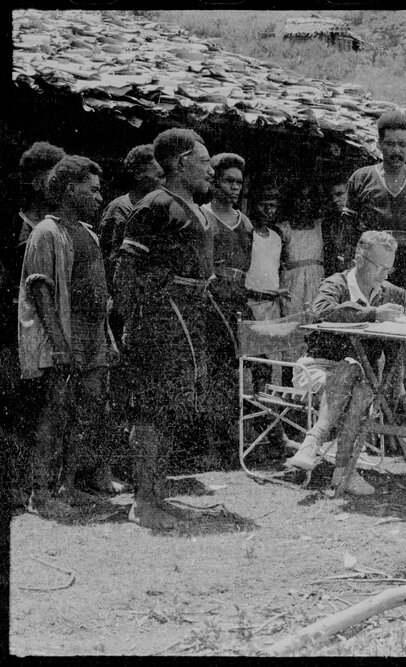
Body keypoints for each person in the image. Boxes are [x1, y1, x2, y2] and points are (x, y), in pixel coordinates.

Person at [115, 127, 217, 530]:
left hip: (188, 320)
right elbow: (126, 271)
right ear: (181, 162)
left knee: (171, 410)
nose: (210, 169)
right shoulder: (156, 204)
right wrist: (131, 328)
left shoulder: (194, 208)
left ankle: (158, 495)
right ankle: (142, 503)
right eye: (205, 161)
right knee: (150, 413)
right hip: (158, 324)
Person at [285, 231, 406, 496]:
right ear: (359, 258)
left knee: (361, 381)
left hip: (354, 376)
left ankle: (317, 446)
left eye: (389, 268)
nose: (384, 275)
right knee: (356, 373)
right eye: (380, 267)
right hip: (317, 368)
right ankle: (343, 469)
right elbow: (322, 311)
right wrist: (374, 313)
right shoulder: (337, 283)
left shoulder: (386, 291)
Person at [18, 155, 110, 518]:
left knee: (87, 410)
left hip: (92, 335)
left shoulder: (88, 233)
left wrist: (108, 338)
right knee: (55, 412)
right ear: (70, 189)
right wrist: (59, 344)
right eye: (93, 189)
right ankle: (41, 492)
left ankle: (69, 486)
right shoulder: (46, 231)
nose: (99, 197)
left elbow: (98, 290)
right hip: (65, 335)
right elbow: (40, 290)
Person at [1, 141, 65, 507]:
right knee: (16, 407)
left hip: (43, 330)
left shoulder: (54, 228)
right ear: (39, 182)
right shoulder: (15, 223)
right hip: (12, 330)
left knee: (41, 405)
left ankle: (34, 486)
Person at [343, 111, 406, 296]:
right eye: (390, 144)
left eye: (402, 144)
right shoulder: (361, 178)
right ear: (379, 145)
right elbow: (348, 232)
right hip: (372, 264)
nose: (397, 151)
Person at [201, 153, 253, 458]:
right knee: (212, 372)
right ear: (214, 182)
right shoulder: (203, 216)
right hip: (211, 302)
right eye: (228, 181)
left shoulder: (244, 222)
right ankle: (210, 443)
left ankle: (234, 440)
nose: (234, 188)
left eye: (239, 183)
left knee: (236, 372)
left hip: (237, 300)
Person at [98, 144, 164, 283]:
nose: (165, 182)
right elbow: (112, 262)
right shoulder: (120, 208)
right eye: (160, 175)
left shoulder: (159, 209)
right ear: (138, 174)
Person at [278, 182, 325, 316]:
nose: (304, 202)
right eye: (299, 197)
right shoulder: (284, 229)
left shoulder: (320, 227)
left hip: (316, 282)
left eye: (309, 197)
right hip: (292, 284)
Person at [245, 185, 286, 323]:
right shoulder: (246, 233)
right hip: (250, 304)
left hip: (272, 306)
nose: (268, 211)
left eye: (272, 206)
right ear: (253, 205)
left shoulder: (276, 237)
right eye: (262, 205)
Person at [320, 176, 351, 277]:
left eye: (339, 194)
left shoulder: (363, 220)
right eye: (331, 196)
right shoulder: (328, 221)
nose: (334, 200)